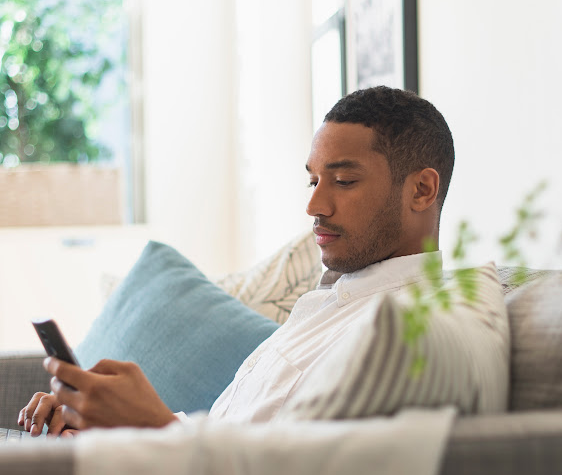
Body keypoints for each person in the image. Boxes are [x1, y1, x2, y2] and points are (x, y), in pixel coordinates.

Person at [18, 85, 455, 436]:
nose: (315, 205)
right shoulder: (338, 303)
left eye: (343, 180)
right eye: (314, 181)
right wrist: (110, 427)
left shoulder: (399, 335)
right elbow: (236, 437)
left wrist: (152, 425)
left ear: (421, 191)